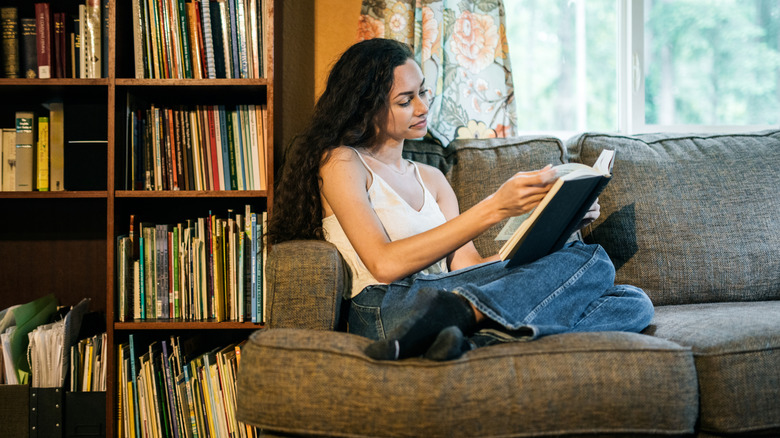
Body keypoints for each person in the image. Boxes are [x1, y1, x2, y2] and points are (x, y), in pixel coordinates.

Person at [268, 38, 654, 361]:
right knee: (591, 261)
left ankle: (478, 338)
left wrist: (558, 224)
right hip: (389, 306)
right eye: (406, 100)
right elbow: (384, 264)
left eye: (423, 92)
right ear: (366, 106)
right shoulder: (343, 162)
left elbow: (470, 267)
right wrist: (495, 208)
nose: (422, 108)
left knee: (632, 300)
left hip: (449, 293)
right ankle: (471, 320)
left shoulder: (433, 179)